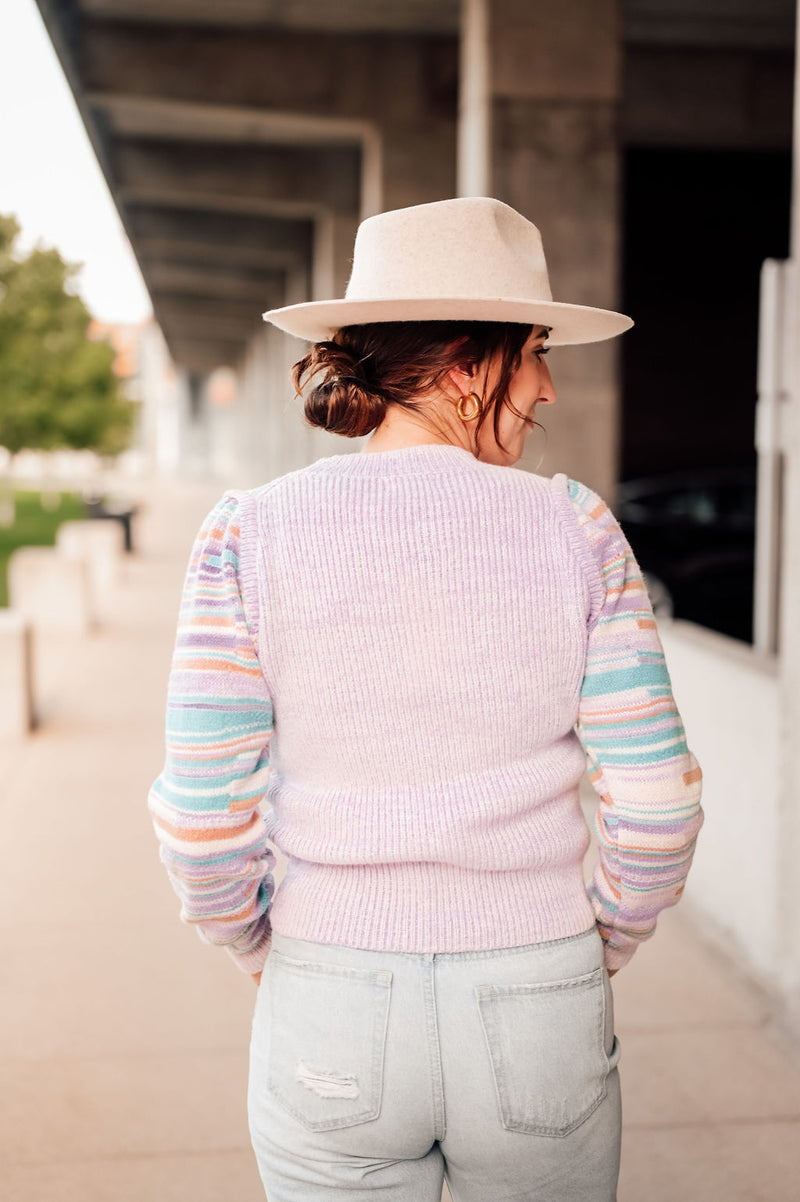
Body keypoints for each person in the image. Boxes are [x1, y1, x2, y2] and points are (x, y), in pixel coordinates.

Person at [148, 196, 704, 1202]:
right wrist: (594, 942)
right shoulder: (575, 527)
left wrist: (261, 944)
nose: (541, 386)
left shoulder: (247, 533)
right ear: (460, 362)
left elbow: (201, 820)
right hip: (540, 990)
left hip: (328, 984)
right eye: (532, 350)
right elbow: (657, 804)